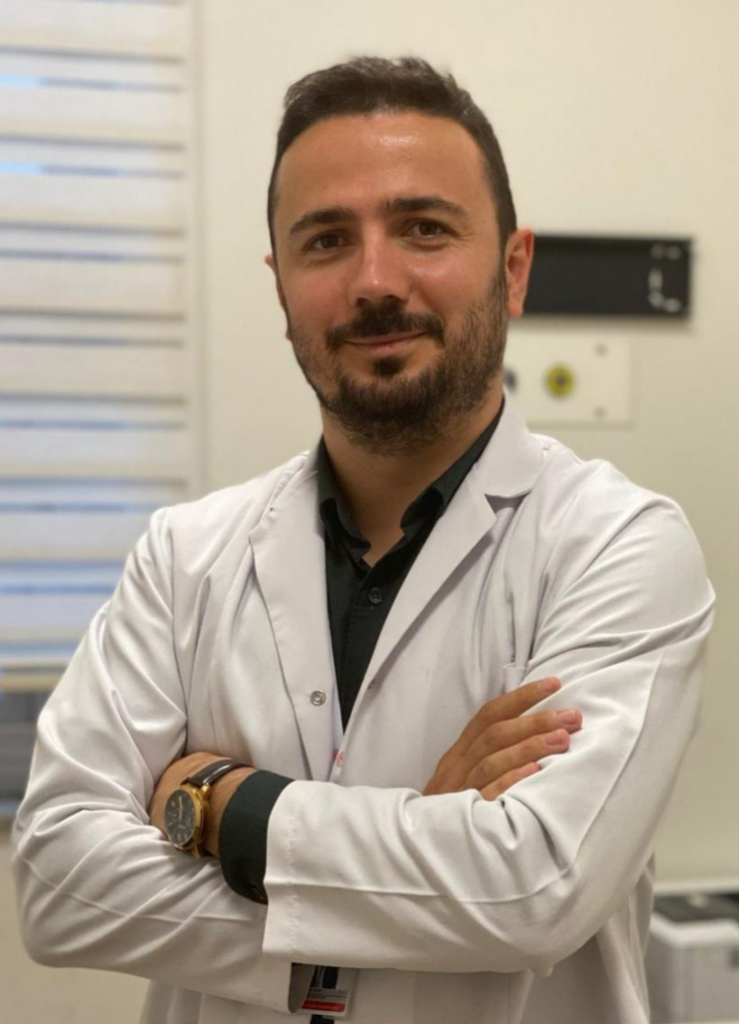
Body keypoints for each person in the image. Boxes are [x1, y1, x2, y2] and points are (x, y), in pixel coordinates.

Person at [12, 56, 714, 1024]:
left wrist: (217, 803)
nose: (375, 281)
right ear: (280, 286)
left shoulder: (617, 546)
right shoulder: (183, 556)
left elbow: (533, 888)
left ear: (512, 269)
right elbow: (58, 880)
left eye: (424, 228)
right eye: (326, 240)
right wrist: (425, 842)